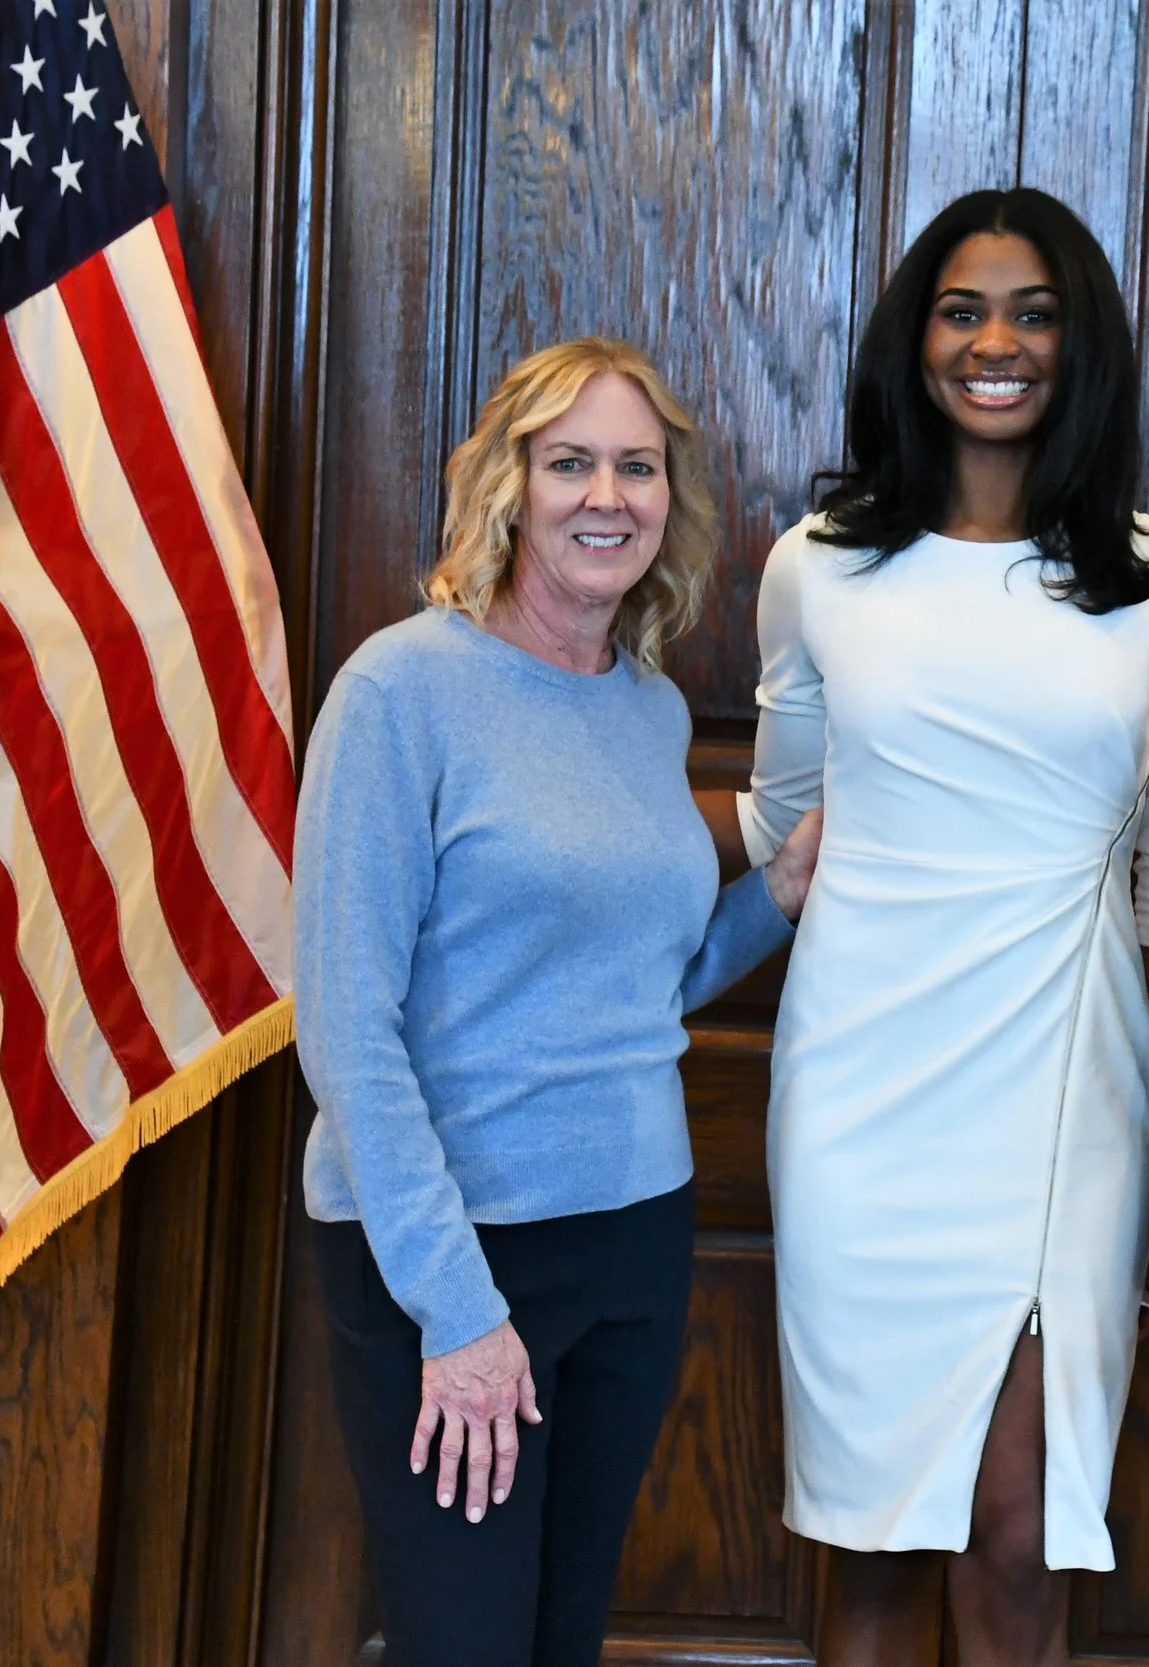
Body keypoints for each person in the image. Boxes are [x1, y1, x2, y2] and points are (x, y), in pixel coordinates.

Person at [738, 188, 1149, 1666]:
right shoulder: (819, 562)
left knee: (1021, 1532)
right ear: (916, 338)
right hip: (860, 1095)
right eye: (964, 309)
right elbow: (782, 826)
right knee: (872, 1534)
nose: (996, 342)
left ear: (1083, 351)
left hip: (1066, 1093)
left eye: (1034, 312)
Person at [295, 337, 823, 1667]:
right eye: (570, 460)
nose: (608, 493)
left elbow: (646, 986)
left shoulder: (645, 711)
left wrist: (779, 892)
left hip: (633, 1239)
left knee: (562, 1635)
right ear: (507, 489)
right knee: (463, 1642)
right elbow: (349, 1034)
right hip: (449, 1247)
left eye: (636, 466)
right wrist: (460, 1314)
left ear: (668, 499)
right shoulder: (398, 692)